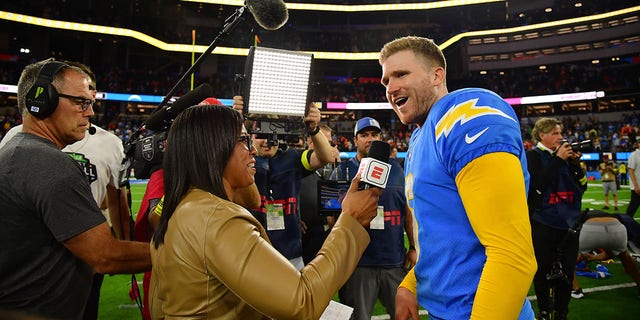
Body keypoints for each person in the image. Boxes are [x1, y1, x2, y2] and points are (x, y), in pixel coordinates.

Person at [148, 104, 383, 319]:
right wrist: (351, 219)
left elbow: (158, 308)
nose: (252, 150)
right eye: (243, 140)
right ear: (214, 148)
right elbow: (302, 302)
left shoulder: (179, 208)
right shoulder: (218, 219)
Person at [379, 36, 536, 320]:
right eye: (386, 81)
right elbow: (442, 238)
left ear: (437, 74)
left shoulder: (467, 115)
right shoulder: (419, 137)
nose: (391, 88)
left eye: (401, 74)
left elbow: (512, 255)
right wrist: (409, 285)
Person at [0, 58, 151, 319]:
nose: (91, 112)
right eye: (81, 102)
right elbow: (105, 256)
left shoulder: (15, 149)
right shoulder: (50, 163)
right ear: (42, 100)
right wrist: (183, 252)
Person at [132, 96, 260, 320]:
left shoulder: (226, 167)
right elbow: (157, 219)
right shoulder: (171, 169)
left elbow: (252, 201)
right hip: (177, 284)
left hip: (218, 283)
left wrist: (240, 147)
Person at [330, 116, 416, 320]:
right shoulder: (342, 171)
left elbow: (408, 213)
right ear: (355, 139)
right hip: (358, 264)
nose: (370, 139)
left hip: (394, 262)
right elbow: (333, 221)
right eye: (364, 135)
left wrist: (413, 247)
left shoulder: (396, 169)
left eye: (375, 134)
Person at [240, 96, 335, 270]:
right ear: (250, 135)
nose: (266, 140)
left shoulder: (292, 157)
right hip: (252, 254)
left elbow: (325, 157)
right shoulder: (241, 160)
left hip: (290, 254)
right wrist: (235, 121)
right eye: (261, 133)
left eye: (272, 132)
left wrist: (313, 129)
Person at [527, 117, 587, 320]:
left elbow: (582, 187)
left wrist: (576, 165)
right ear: (541, 135)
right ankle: (544, 310)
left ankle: (562, 312)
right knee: (542, 270)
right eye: (555, 133)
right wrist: (558, 160)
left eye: (561, 133)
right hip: (542, 223)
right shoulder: (532, 157)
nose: (560, 137)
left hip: (569, 224)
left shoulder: (566, 158)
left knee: (567, 273)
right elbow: (536, 187)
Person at [571, 210, 640, 298]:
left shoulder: (576, 216)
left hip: (590, 229)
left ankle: (576, 290)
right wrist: (592, 258)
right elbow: (612, 253)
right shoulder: (603, 214)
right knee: (625, 257)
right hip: (617, 228)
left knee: (568, 261)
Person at [300, 123, 341, 264]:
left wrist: (338, 167)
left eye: (329, 142)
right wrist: (292, 220)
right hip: (304, 243)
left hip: (329, 240)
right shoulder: (297, 169)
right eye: (323, 141)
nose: (327, 146)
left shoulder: (334, 171)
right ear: (310, 142)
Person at [626, 142, 640, 218]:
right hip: (637, 187)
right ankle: (626, 225)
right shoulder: (634, 155)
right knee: (631, 209)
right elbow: (630, 170)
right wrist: (636, 185)